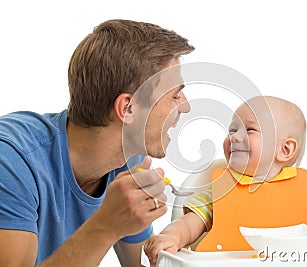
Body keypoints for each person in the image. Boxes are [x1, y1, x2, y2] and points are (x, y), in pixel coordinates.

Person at [0, 19, 194, 266]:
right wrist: (106, 225)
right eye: (175, 95)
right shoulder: (11, 160)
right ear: (128, 108)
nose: (185, 106)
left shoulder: (127, 159)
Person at [144, 96, 307, 265]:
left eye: (249, 130)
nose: (234, 137)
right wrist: (172, 237)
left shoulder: (300, 196)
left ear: (285, 150)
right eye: (232, 130)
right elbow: (188, 225)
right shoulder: (220, 191)